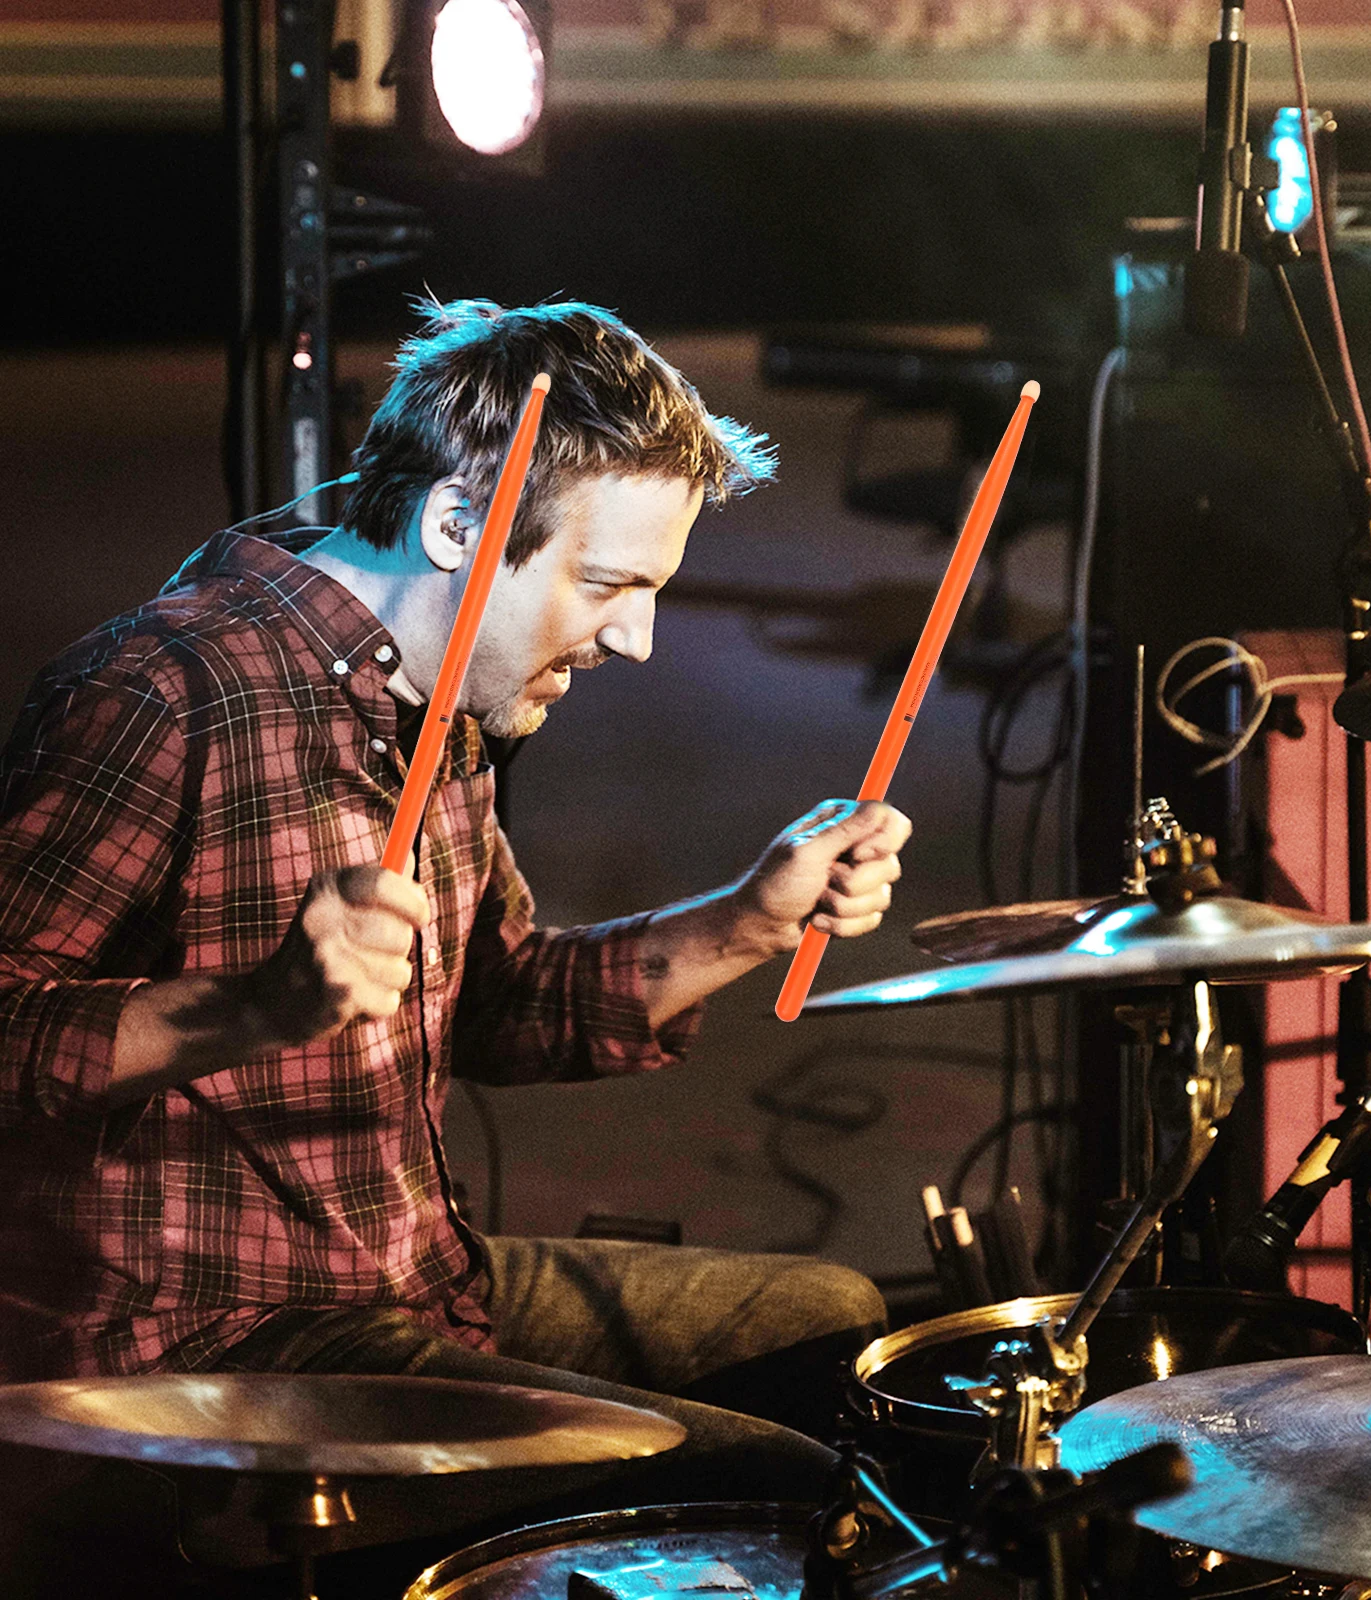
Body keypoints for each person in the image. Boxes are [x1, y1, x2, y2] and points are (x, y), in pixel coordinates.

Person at [0, 300, 912, 1573]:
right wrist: (246, 1009)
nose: (635, 641)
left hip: (415, 1275)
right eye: (609, 587)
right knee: (788, 1490)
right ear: (453, 528)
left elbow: (499, 1002)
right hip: (215, 1339)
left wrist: (750, 920)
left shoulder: (445, 702)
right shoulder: (165, 692)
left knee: (837, 1326)